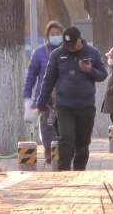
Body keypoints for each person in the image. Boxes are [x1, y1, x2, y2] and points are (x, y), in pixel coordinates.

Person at [36, 26, 108, 171]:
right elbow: (48, 80)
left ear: (80, 40)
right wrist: (40, 104)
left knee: (83, 142)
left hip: (86, 106)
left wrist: (90, 71)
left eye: (72, 45)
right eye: (66, 45)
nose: (69, 48)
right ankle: (64, 171)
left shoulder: (92, 53)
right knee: (66, 139)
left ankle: (79, 170)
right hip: (64, 106)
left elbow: (103, 74)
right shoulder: (57, 55)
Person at [23, 21, 64, 164]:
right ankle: (49, 152)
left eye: (58, 34)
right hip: (45, 98)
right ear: (47, 36)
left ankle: (62, 151)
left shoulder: (68, 52)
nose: (55, 37)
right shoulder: (39, 53)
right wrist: (27, 96)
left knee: (63, 126)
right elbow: (31, 76)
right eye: (53, 34)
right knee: (47, 126)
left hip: (65, 97)